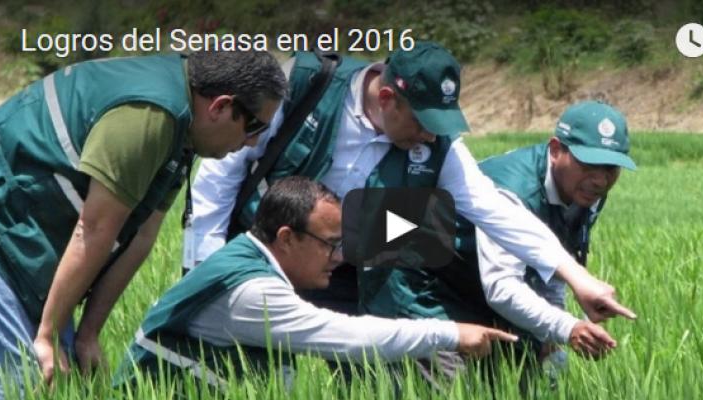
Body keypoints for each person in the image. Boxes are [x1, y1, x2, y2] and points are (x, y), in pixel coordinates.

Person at [186, 42, 634, 328]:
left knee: (373, 391)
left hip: (351, 273)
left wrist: (577, 278)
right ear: (387, 99)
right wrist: (207, 267)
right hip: (265, 254)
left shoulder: (436, 143)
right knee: (253, 378)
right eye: (423, 122)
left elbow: (491, 208)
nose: (430, 136)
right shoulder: (306, 86)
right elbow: (220, 174)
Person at [0, 50, 287, 400]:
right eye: (255, 126)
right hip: (5, 232)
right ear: (220, 107)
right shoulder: (150, 114)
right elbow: (96, 227)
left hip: (27, 246)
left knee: (65, 398)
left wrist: (88, 333)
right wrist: (49, 334)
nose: (254, 142)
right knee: (23, 396)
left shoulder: (183, 132)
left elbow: (142, 237)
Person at [113, 177, 517, 388]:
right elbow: (349, 337)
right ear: (287, 237)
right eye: (330, 244)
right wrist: (449, 333)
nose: (339, 257)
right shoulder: (251, 293)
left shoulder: (247, 258)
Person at [362, 101, 637, 382]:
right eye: (589, 164)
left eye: (611, 168)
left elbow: (554, 262)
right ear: (556, 151)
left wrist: (550, 336)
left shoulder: (584, 194)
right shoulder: (512, 190)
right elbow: (501, 286)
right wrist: (566, 328)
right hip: (426, 284)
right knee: (454, 395)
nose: (601, 180)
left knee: (521, 387)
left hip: (474, 285)